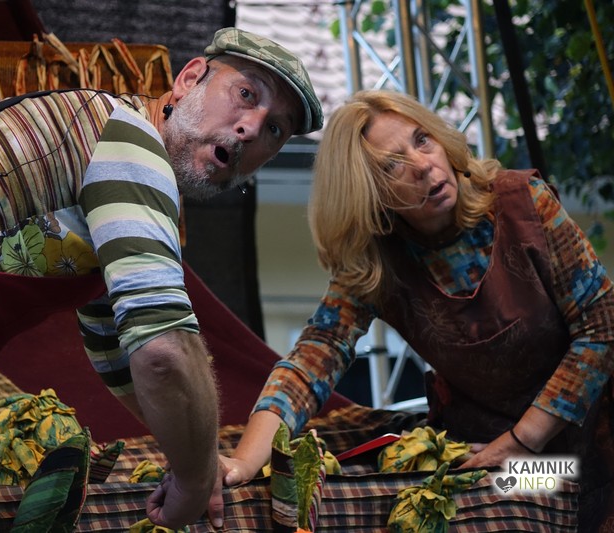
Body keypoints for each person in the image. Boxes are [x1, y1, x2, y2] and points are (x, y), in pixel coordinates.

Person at [0, 27, 323, 532]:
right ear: (189, 79)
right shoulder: (131, 145)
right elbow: (163, 351)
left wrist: (197, 455)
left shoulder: (104, 172)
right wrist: (195, 479)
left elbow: (121, 355)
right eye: (245, 94)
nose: (250, 128)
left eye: (275, 129)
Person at [216, 89, 614, 530]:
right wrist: (243, 462)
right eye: (392, 165)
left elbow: (602, 326)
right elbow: (311, 362)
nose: (423, 166)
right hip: (490, 458)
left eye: (423, 140)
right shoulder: (375, 261)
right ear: (369, 193)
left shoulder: (523, 202)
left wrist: (522, 440)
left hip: (590, 447)